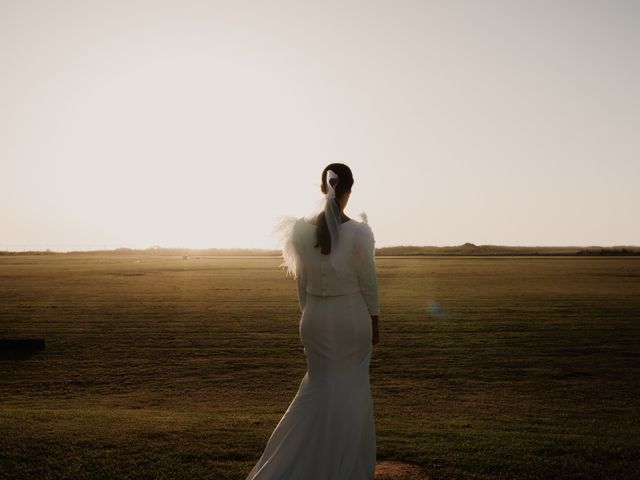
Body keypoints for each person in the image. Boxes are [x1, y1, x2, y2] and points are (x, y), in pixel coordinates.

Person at [245, 163, 380, 480]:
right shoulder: (360, 233)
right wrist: (375, 321)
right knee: (352, 390)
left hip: (315, 319)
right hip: (351, 318)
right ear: (348, 190)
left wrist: (311, 317)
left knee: (318, 390)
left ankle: (299, 460)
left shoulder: (300, 231)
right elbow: (368, 284)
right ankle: (343, 465)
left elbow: (302, 286)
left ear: (323, 189)